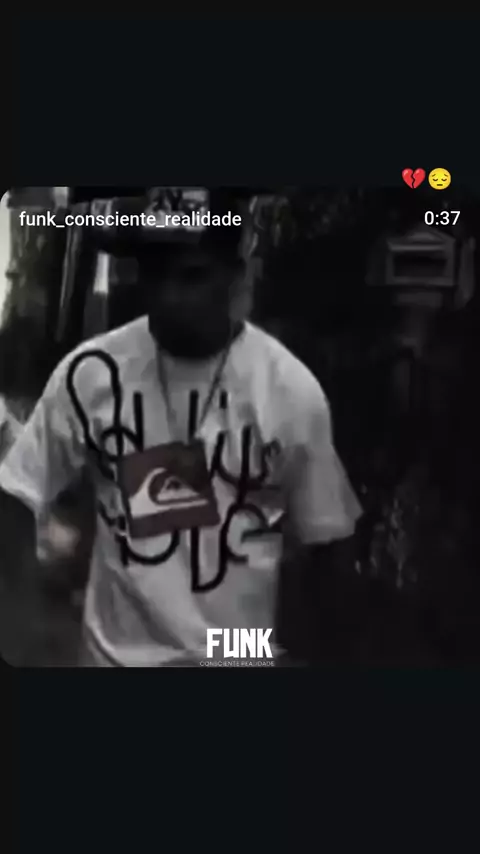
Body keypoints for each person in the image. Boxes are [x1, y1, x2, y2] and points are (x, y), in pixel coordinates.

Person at [0, 187, 362, 666]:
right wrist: (18, 626)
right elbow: (17, 490)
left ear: (235, 275)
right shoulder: (91, 374)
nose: (168, 296)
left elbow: (327, 541)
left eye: (192, 275)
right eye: (154, 273)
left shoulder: (289, 392)